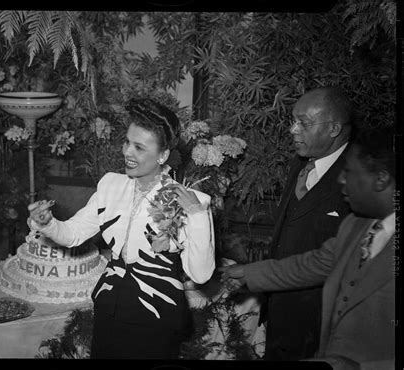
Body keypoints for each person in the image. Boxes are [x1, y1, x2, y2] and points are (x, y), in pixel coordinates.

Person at [27, 98, 216, 359]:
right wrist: (49, 223)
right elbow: (74, 234)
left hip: (157, 317)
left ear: (162, 155)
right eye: (127, 142)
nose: (127, 152)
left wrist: (197, 216)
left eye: (139, 147)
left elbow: (201, 273)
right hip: (109, 310)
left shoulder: (191, 202)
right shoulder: (110, 186)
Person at [220, 126, 396, 369]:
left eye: (349, 171)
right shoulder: (356, 225)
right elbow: (311, 264)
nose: (341, 179)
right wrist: (247, 274)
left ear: (381, 179)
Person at [258, 86, 354, 360]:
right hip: (280, 315)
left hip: (322, 328)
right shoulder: (299, 166)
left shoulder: (359, 174)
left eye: (304, 123)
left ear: (334, 128)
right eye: (293, 121)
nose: (293, 130)